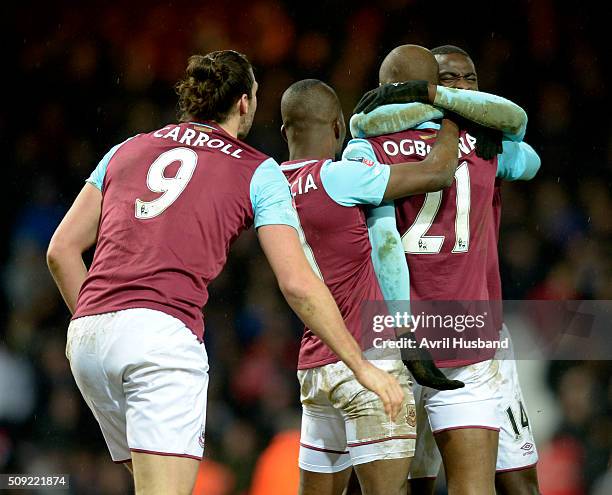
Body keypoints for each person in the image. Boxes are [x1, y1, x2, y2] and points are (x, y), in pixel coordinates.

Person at [46, 50, 404, 495]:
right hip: (161, 339)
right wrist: (362, 366)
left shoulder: (127, 148)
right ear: (243, 103)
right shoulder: (257, 168)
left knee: (148, 482)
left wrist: (100, 321)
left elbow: (61, 251)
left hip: (87, 337)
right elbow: (296, 283)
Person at [345, 44, 537, 494]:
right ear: (431, 85)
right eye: (452, 81)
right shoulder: (484, 148)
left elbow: (383, 239)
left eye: (471, 80)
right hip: (469, 333)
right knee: (476, 486)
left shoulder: (365, 148)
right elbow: (529, 157)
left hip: (394, 336)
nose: (464, 88)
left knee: (399, 487)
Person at [279, 78, 462, 495]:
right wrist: (453, 118)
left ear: (284, 129)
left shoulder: (268, 187)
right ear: (339, 128)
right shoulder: (341, 177)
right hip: (369, 356)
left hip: (314, 366)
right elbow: (438, 171)